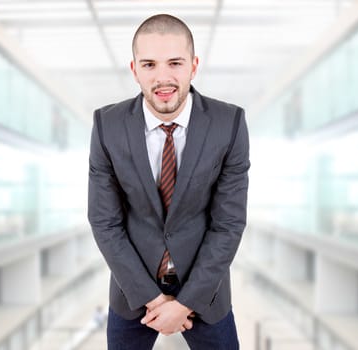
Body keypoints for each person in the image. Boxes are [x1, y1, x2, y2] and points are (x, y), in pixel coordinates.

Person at [87, 13, 250, 350]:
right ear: (134, 70)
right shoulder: (107, 125)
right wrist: (153, 299)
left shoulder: (229, 123)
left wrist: (186, 303)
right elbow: (105, 222)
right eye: (149, 65)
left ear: (194, 65)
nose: (163, 78)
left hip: (206, 293)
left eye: (175, 63)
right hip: (133, 295)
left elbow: (228, 223)